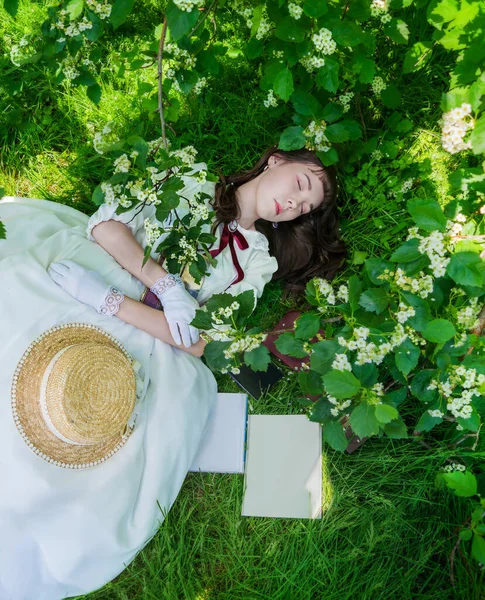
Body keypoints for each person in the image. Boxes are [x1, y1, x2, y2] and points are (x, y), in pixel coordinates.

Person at [0, 145, 345, 600]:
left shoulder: (257, 260)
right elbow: (106, 227)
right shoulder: (194, 180)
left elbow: (201, 341)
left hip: (146, 328)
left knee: (87, 421)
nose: (295, 205)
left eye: (304, 208)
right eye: (300, 186)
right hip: (94, 268)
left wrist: (112, 303)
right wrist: (161, 282)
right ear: (276, 161)